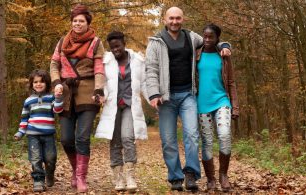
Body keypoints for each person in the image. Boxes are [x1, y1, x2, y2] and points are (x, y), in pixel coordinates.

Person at [145, 6, 231, 191]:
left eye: (178, 18)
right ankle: (175, 177)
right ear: (164, 20)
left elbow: (212, 40)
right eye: (171, 18)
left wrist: (225, 45)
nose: (174, 21)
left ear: (182, 19)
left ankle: (191, 174)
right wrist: (153, 93)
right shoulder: (156, 41)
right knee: (168, 140)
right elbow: (151, 69)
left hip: (188, 95)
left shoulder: (192, 38)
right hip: (165, 98)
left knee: (192, 135)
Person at [49, 4, 105, 193]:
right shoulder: (62, 41)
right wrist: (56, 82)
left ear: (88, 23)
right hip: (64, 93)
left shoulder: (96, 42)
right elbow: (54, 64)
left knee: (82, 137)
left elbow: (99, 68)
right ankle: (75, 171)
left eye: (81, 21)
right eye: (75, 21)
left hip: (88, 93)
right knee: (66, 139)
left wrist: (99, 90)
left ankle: (81, 177)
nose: (77, 24)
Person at [95, 31, 148, 192]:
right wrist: (100, 94)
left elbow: (144, 83)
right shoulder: (106, 62)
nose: (115, 50)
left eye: (117, 46)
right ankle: (118, 177)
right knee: (115, 140)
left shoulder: (138, 60)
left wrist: (152, 98)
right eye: (112, 48)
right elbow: (101, 82)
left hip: (130, 106)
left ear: (124, 44)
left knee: (127, 137)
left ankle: (130, 175)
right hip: (113, 106)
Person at [196, 23, 239, 192]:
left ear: (217, 39)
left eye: (210, 37)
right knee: (207, 141)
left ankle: (223, 175)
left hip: (222, 101)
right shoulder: (196, 55)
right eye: (205, 36)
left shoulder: (224, 56)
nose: (207, 39)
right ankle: (211, 179)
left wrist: (235, 107)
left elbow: (231, 82)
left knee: (225, 135)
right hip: (202, 104)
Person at [14, 69, 64, 192]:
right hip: (33, 135)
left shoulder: (51, 97)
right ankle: (38, 180)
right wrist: (21, 131)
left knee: (50, 158)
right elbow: (24, 118)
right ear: (32, 84)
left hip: (48, 135)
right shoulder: (28, 100)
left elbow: (57, 111)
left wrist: (58, 99)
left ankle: (50, 174)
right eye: (35, 82)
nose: (38, 84)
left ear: (47, 83)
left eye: (41, 81)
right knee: (35, 159)